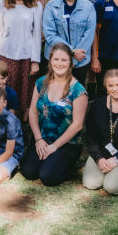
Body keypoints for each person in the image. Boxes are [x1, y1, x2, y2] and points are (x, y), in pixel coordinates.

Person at [22, 43, 88, 187]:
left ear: (70, 63)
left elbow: (77, 125)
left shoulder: (78, 90)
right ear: (50, 61)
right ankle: (48, 159)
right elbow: (33, 111)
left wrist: (54, 147)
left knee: (47, 177)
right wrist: (38, 139)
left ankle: (69, 165)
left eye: (64, 60)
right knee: (28, 172)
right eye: (56, 59)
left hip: (66, 143)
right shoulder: (41, 82)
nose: (59, 63)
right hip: (43, 138)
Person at [0, 0, 43, 117]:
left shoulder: (35, 6)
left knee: (25, 91)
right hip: (7, 54)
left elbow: (36, 34)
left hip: (26, 55)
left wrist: (35, 61)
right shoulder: (4, 4)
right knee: (7, 89)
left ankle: (24, 123)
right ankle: (5, 118)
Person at [42, 0, 96, 85]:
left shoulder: (88, 7)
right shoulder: (51, 6)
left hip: (80, 60)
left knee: (76, 94)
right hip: (56, 60)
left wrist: (75, 58)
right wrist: (71, 51)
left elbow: (89, 34)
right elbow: (50, 35)